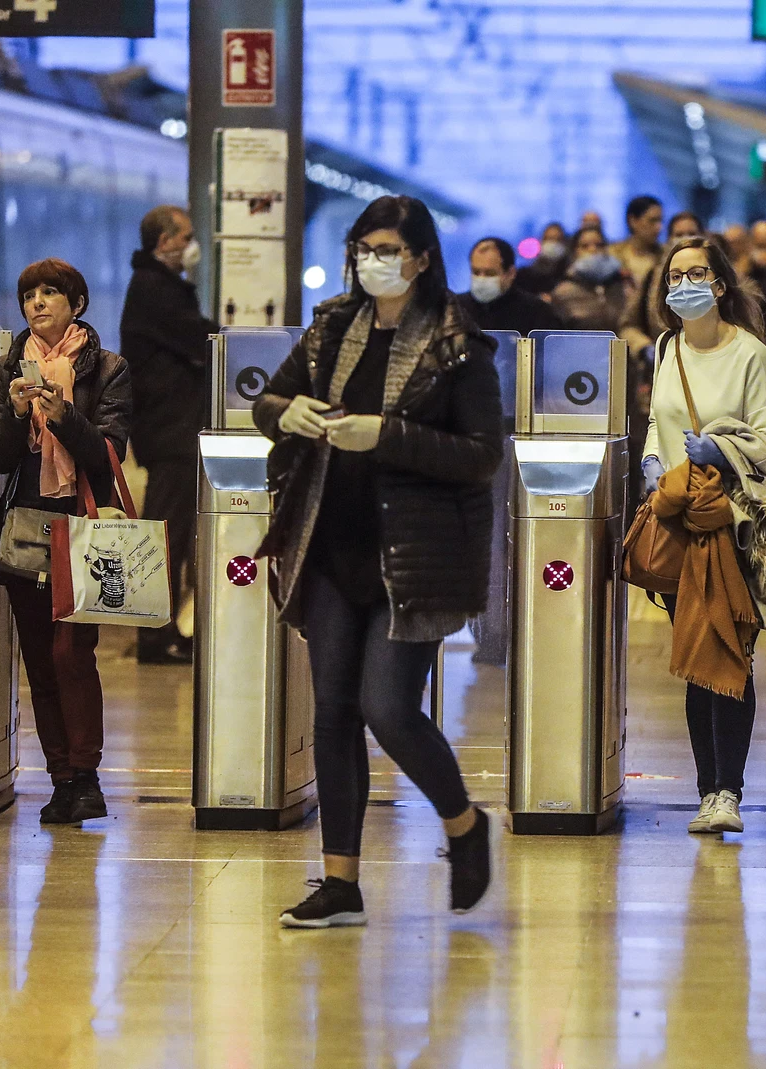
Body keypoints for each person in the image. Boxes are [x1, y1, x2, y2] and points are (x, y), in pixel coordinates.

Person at [254, 195, 500, 928]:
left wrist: (385, 435)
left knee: (388, 707)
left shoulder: (459, 344)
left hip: (414, 558)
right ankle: (340, 880)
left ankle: (463, 823)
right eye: (363, 248)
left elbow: (483, 456)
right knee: (332, 709)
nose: (372, 261)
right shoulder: (334, 326)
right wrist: (285, 415)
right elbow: (270, 397)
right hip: (331, 543)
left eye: (387, 249)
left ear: (422, 257)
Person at [639, 235, 766, 837]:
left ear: (720, 285)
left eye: (697, 274)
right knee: (696, 656)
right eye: (675, 277)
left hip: (733, 522)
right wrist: (652, 463)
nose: (684, 285)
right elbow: (656, 421)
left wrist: (719, 449)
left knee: (730, 656)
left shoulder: (751, 354)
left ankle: (729, 791)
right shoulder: (668, 348)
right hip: (680, 522)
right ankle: (708, 789)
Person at [0, 258, 132, 824]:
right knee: (40, 662)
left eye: (50, 293)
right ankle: (61, 780)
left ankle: (87, 777)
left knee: (73, 655)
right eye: (28, 296)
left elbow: (109, 453)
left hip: (83, 526)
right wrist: (19, 415)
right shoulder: (6, 369)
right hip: (25, 525)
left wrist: (64, 416)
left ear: (76, 303)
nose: (37, 303)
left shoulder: (108, 368)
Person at [118, 205, 215, 665]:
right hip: (170, 430)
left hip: (170, 428)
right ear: (165, 242)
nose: (192, 245)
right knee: (165, 535)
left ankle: (167, 630)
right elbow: (199, 339)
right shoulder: (156, 289)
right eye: (187, 236)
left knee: (171, 532)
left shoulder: (156, 286)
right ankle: (155, 636)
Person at [620, 211, 705, 357]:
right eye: (679, 234)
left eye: (692, 233)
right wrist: (644, 347)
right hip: (664, 359)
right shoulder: (654, 276)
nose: (685, 239)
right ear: (669, 239)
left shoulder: (719, 276)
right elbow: (629, 324)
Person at [460, 237, 562, 335]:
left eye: (490, 273)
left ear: (511, 273)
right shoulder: (456, 308)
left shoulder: (536, 312)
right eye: (476, 272)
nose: (481, 279)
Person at [550, 224, 633, 333]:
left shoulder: (624, 287)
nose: (593, 250)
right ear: (574, 252)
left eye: (600, 245)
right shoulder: (562, 293)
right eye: (585, 246)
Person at [613, 195, 665, 289]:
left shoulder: (665, 255)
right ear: (633, 221)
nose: (659, 228)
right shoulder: (614, 255)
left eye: (660, 221)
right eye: (652, 221)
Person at [513, 222, 571, 297]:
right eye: (548, 239)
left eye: (557, 240)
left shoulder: (568, 273)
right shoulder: (525, 274)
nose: (552, 243)